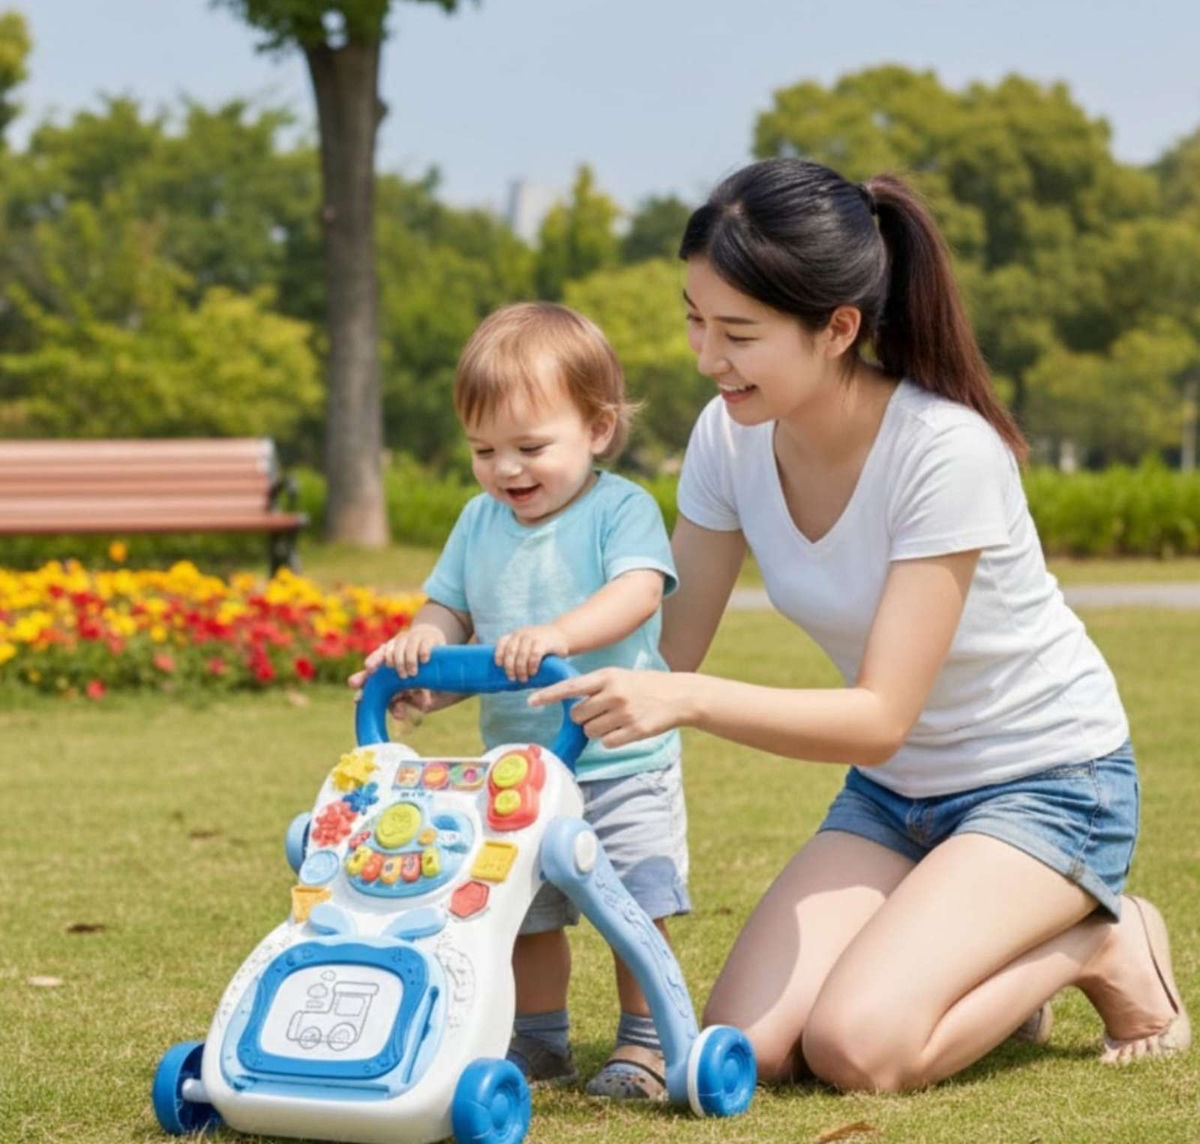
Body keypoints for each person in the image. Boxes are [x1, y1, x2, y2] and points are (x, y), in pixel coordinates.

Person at [528, 158, 1191, 1091]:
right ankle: (972, 951)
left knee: (858, 1047)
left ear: (839, 328)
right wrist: (505, 660)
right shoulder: (728, 436)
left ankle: (1098, 941)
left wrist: (687, 701)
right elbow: (664, 646)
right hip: (892, 798)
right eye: (694, 318)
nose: (706, 357)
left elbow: (877, 711)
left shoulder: (944, 450)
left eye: (739, 333)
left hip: (1048, 784)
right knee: (745, 1051)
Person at [350, 302, 689, 1100]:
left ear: (598, 429)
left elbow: (638, 592)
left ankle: (646, 1041)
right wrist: (418, 651)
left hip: (618, 756)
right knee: (522, 911)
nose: (507, 470)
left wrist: (559, 633)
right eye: (484, 451)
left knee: (631, 904)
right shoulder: (479, 522)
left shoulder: (620, 508)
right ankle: (540, 1039)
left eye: (531, 447)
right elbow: (449, 610)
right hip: (519, 772)